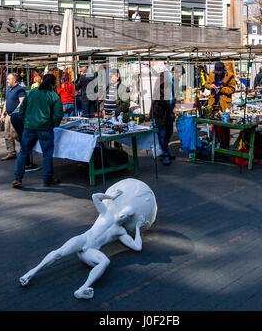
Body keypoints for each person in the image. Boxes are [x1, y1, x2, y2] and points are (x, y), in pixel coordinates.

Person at [19, 189, 147, 299]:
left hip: (90, 252)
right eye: (123, 213)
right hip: (83, 239)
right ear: (120, 211)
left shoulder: (121, 232)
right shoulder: (106, 214)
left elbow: (137, 247)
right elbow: (95, 196)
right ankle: (31, 273)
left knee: (105, 261)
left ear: (129, 219)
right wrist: (112, 197)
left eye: (127, 217)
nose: (123, 216)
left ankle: (82, 289)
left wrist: (137, 228)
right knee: (59, 252)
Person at [12, 74, 63, 188]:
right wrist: (53, 124)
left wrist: (26, 122)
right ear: (54, 84)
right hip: (45, 128)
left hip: (29, 128)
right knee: (47, 154)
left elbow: (22, 110)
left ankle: (17, 178)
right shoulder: (53, 95)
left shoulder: (32, 92)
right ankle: (47, 179)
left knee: (24, 152)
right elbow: (58, 114)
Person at [150, 71, 175, 166]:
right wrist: (171, 107)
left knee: (169, 132)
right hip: (159, 114)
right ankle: (165, 154)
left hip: (167, 112)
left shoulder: (171, 84)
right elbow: (162, 100)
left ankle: (165, 151)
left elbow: (172, 97)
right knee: (162, 134)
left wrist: (174, 104)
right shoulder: (160, 85)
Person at [0, 73, 25, 161]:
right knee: (8, 135)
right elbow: (6, 102)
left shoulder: (20, 89)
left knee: (15, 134)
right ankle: (11, 153)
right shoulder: (9, 90)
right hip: (8, 115)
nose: (7, 81)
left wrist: (15, 111)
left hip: (15, 115)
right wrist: (3, 113)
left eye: (8, 79)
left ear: (14, 80)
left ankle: (26, 147)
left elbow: (22, 102)